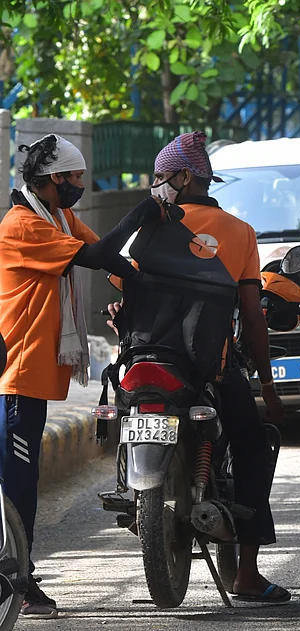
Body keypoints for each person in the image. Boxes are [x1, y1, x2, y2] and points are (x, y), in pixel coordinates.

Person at [108, 131, 289, 603]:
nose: (156, 186)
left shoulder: (150, 226)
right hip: (210, 367)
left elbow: (123, 291)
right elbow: (252, 318)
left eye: (161, 177)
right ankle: (246, 574)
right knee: (253, 443)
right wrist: (267, 387)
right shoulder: (240, 232)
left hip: (145, 358)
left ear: (184, 177)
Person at [0, 134, 166, 618]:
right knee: (15, 488)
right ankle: (22, 583)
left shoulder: (59, 217)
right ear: (53, 181)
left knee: (20, 484)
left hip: (33, 376)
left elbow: (110, 258)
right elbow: (92, 258)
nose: (80, 187)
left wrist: (148, 279)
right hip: (16, 377)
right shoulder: (23, 226)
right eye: (74, 179)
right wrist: (141, 209)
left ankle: (18, 571)